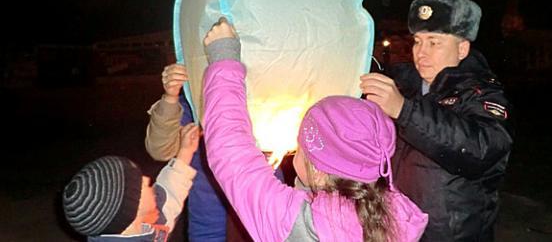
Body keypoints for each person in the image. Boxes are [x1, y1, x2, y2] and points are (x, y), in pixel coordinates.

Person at [200, 17, 428, 242]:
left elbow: (231, 153)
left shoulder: (295, 223)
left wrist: (224, 57)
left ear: (319, 173)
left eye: (301, 148)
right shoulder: (399, 218)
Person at [360, 0, 514, 241]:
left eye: (434, 43)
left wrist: (404, 111)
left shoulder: (481, 93)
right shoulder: (401, 84)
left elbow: (482, 149)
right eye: (417, 42)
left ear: (462, 48)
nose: (421, 52)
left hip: (451, 235)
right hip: (399, 228)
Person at [62, 124, 199, 241]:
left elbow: (168, 198)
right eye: (140, 184)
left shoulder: (136, 223)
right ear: (133, 208)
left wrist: (185, 151)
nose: (147, 179)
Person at [145, 63, 229, 241]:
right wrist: (170, 96)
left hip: (266, 221)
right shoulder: (193, 108)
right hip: (208, 226)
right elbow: (160, 149)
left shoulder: (264, 102)